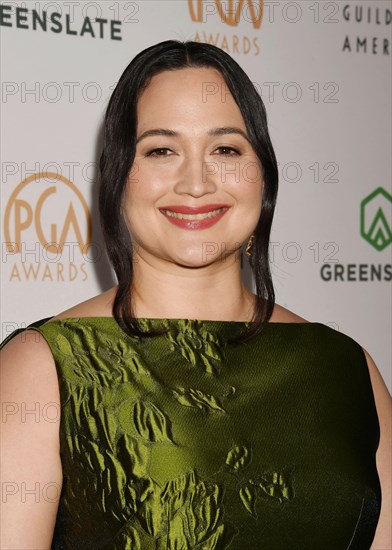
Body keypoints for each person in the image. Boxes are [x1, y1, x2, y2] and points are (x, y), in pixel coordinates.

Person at [1, 39, 390, 549]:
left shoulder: (348, 368)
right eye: (161, 149)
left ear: (263, 175)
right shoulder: (45, 367)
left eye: (225, 149)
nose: (196, 182)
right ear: (120, 175)